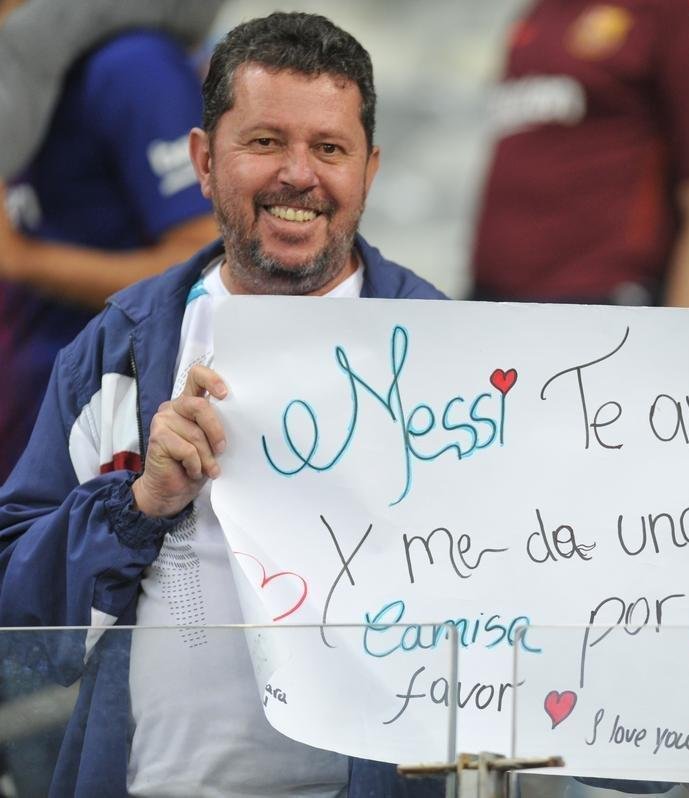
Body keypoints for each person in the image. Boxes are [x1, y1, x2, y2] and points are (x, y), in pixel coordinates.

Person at [0, 12, 444, 796]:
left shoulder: (450, 359)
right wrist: (139, 503)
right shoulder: (118, 355)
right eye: (265, 141)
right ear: (204, 161)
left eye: (329, 148)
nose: (298, 175)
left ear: (369, 169)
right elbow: (16, 636)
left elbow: (549, 605)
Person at [0, 0, 223, 483]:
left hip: (96, 452)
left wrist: (22, 260)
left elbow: (206, 257)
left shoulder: (132, 67)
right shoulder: (26, 67)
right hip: (26, 433)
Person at [469, 0, 689, 308]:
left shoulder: (683, 10)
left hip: (602, 307)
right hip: (494, 302)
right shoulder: (544, 9)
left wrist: (687, 343)